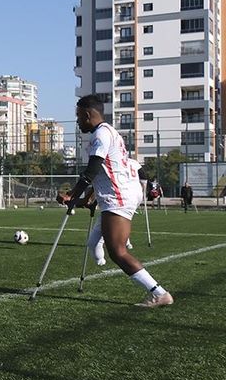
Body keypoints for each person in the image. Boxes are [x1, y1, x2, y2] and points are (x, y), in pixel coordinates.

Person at [59, 94, 173, 308]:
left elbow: (92, 170)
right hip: (118, 194)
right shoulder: (108, 132)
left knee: (118, 251)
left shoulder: (101, 135)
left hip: (119, 198)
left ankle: (159, 293)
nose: (77, 121)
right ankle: (156, 291)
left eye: (78, 116)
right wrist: (83, 200)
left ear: (86, 114)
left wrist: (72, 194)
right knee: (101, 243)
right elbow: (105, 172)